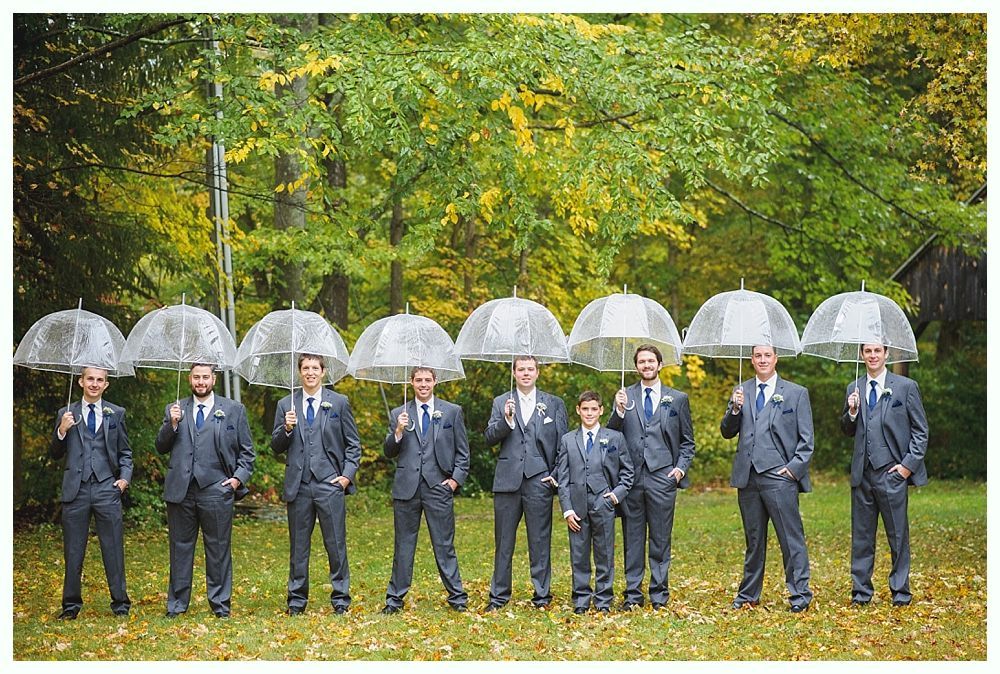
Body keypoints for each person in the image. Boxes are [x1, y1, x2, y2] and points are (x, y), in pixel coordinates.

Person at [156, 363, 255, 618]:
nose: (201, 381)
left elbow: (247, 453)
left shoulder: (233, 410)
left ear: (214, 379)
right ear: (189, 379)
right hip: (181, 490)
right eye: (196, 377)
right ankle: (177, 605)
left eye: (205, 377)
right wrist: (172, 424)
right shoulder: (176, 408)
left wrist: (236, 480)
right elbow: (160, 446)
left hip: (216, 488)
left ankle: (220, 605)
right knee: (180, 548)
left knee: (219, 548)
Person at [720, 344, 814, 613]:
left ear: (776, 359)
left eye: (767, 355)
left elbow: (807, 441)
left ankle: (799, 595)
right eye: (758, 356)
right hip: (748, 477)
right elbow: (727, 432)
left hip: (779, 476)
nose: (762, 360)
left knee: (790, 538)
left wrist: (793, 470)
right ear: (751, 360)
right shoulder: (741, 391)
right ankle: (749, 594)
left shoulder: (795, 393)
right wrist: (734, 410)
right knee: (754, 540)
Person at [272, 354, 361, 616]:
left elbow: (353, 445)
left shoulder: (339, 403)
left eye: (315, 368)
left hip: (329, 483)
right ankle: (296, 601)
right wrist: (286, 429)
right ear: (299, 372)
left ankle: (341, 598)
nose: (310, 372)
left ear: (323, 372)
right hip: (298, 486)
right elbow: (276, 446)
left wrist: (345, 477)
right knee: (298, 547)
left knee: (335, 544)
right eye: (305, 368)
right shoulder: (285, 404)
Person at [607, 344, 695, 610]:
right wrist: (619, 411)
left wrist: (679, 469)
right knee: (632, 537)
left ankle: (659, 593)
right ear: (636, 367)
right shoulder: (625, 396)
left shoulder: (677, 399)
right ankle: (633, 594)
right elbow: (611, 437)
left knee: (660, 537)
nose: (646, 365)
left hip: (662, 477)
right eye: (641, 362)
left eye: (651, 361)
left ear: (659, 364)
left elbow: (688, 442)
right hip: (631, 479)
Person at [841, 343, 929, 607]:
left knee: (898, 535)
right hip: (862, 475)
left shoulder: (905, 387)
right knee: (862, 537)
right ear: (862, 355)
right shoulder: (853, 388)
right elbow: (846, 429)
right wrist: (852, 411)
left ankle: (900, 592)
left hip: (892, 473)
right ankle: (861, 593)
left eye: (877, 351)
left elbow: (921, 431)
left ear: (887, 354)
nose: (873, 355)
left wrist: (906, 467)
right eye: (868, 351)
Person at [380, 367, 470, 614]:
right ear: (411, 383)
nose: (423, 384)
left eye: (427, 380)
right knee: (403, 546)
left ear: (435, 382)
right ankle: (394, 600)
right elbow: (388, 452)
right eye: (418, 380)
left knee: (444, 545)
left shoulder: (451, 411)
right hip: (406, 488)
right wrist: (398, 431)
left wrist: (454, 481)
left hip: (438, 487)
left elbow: (463, 452)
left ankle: (457, 598)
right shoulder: (400, 413)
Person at [483, 355, 568, 611]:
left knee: (540, 541)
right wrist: (506, 421)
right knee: (503, 542)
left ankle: (542, 596)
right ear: (514, 372)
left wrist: (555, 473)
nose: (526, 373)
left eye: (530, 369)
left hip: (539, 480)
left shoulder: (553, 404)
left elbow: (564, 444)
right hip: (507, 480)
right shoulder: (501, 402)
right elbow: (488, 437)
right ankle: (498, 597)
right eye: (521, 369)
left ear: (538, 373)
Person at [49, 367, 132, 619]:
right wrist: (61, 431)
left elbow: (126, 453)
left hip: (107, 488)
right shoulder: (67, 413)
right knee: (73, 550)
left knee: (113, 548)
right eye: (90, 379)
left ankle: (120, 604)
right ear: (81, 381)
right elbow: (54, 453)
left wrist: (124, 479)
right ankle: (71, 606)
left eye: (100, 380)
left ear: (106, 385)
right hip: (76, 490)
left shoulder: (116, 413)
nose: (94, 384)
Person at [555, 391, 633, 614]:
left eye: (594, 409)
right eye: (585, 409)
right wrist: (567, 509)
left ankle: (603, 600)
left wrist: (616, 495)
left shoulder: (615, 438)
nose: (589, 413)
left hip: (604, 503)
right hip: (577, 506)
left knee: (604, 554)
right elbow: (563, 478)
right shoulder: (568, 439)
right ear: (578, 410)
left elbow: (628, 472)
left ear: (601, 411)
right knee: (578, 554)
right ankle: (581, 599)